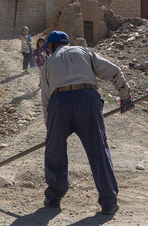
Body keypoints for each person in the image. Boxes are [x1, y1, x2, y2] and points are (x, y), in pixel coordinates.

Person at [40, 30, 134, 215]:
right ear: (66, 42)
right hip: (87, 100)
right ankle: (109, 201)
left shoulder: (49, 63)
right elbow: (114, 71)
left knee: (55, 151)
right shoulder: (84, 52)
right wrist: (125, 95)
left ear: (51, 46)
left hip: (59, 104)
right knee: (98, 150)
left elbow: (46, 99)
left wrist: (50, 131)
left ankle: (53, 198)